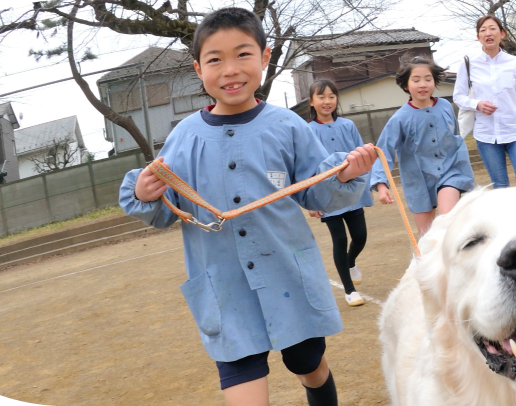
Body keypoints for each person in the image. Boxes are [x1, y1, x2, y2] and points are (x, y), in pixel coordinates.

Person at [118, 7, 378, 405]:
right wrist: (144, 194)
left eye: (243, 54)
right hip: (224, 291)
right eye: (215, 60)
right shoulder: (183, 138)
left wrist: (343, 176)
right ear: (198, 69)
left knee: (310, 365)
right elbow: (165, 211)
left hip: (288, 278)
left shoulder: (287, 126)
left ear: (265, 57)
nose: (230, 70)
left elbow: (316, 193)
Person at [371, 57, 476, 237]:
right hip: (418, 182)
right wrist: (381, 184)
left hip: (449, 173)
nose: (423, 84)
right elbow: (384, 150)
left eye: (428, 79)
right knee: (428, 239)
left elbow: (454, 136)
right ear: (406, 85)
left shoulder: (445, 106)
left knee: (446, 223)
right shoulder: (399, 118)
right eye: (416, 80)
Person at [453, 15, 516, 189]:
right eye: (483, 30)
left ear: (502, 34)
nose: (488, 33)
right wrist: (477, 104)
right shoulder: (468, 63)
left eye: (492, 28)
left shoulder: (515, 64)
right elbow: (458, 96)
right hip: (486, 135)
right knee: (500, 186)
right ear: (478, 37)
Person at [306, 79, 374, 307]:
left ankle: (350, 262)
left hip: (353, 192)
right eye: (321, 97)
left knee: (360, 236)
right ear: (311, 102)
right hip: (326, 195)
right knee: (339, 239)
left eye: (331, 96)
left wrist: (369, 185)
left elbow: (361, 156)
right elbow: (307, 167)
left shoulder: (348, 125)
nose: (327, 101)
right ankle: (349, 290)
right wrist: (311, 201)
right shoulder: (308, 131)